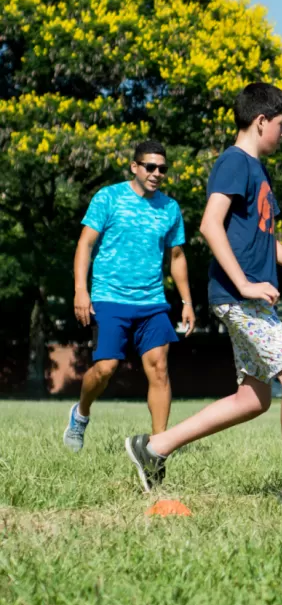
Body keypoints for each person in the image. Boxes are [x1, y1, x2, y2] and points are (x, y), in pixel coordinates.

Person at [124, 83, 282, 504]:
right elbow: (210, 225)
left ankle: (154, 447)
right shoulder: (235, 162)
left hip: (246, 296)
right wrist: (246, 284)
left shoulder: (259, 170)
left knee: (253, 398)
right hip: (240, 297)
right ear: (261, 121)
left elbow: (260, 237)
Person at [64, 141, 195, 451]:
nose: (157, 173)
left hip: (152, 303)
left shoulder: (170, 208)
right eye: (150, 166)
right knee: (106, 367)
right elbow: (85, 244)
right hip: (109, 297)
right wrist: (81, 291)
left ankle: (158, 446)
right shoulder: (108, 198)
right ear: (135, 167)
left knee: (159, 367)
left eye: (162, 168)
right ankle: (80, 414)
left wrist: (187, 302)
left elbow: (176, 257)